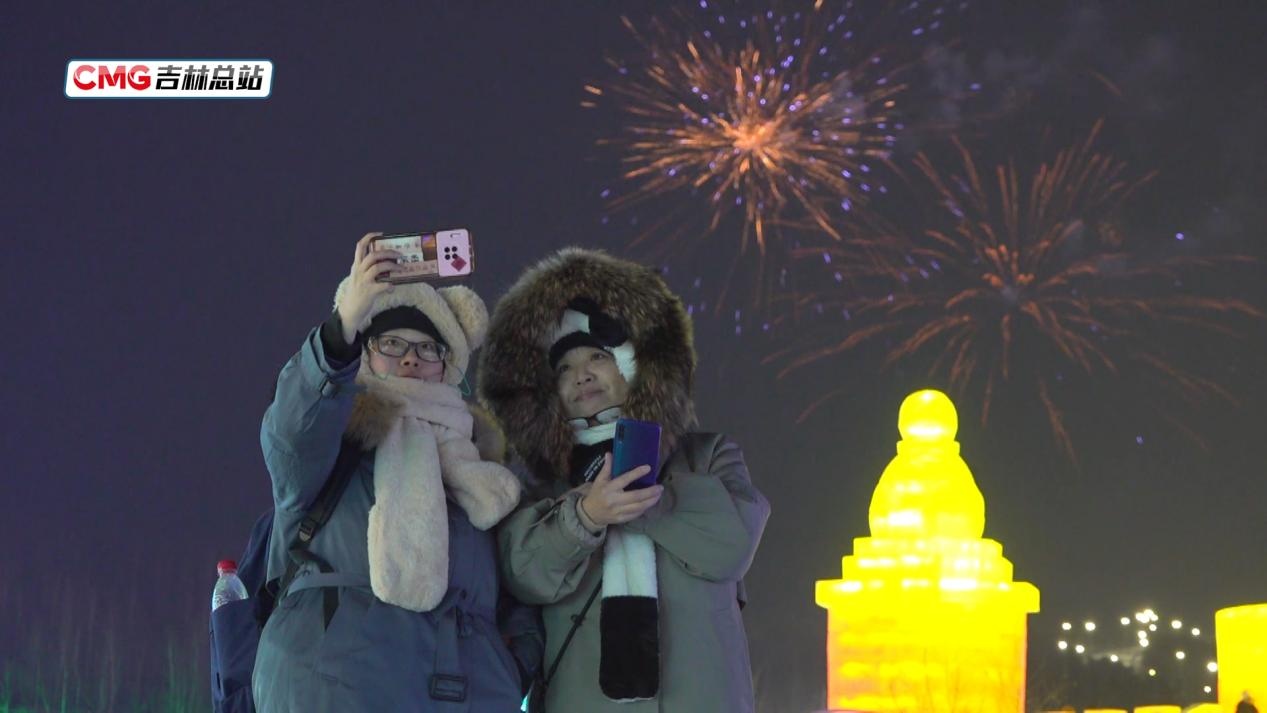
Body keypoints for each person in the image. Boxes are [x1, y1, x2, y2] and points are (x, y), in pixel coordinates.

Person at [479, 247, 770, 712]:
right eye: (563, 368)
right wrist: (583, 518)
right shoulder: (537, 481)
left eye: (597, 356)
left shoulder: (706, 456)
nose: (581, 376)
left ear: (632, 364)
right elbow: (523, 576)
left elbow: (732, 545)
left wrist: (644, 499)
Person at [251, 232, 531, 712]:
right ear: (365, 353)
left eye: (429, 349)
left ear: (448, 367)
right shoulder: (333, 446)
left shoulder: (481, 474)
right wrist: (343, 327)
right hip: (335, 690)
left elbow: (518, 590)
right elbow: (292, 433)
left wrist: (512, 669)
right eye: (392, 343)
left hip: (464, 695)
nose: (410, 358)